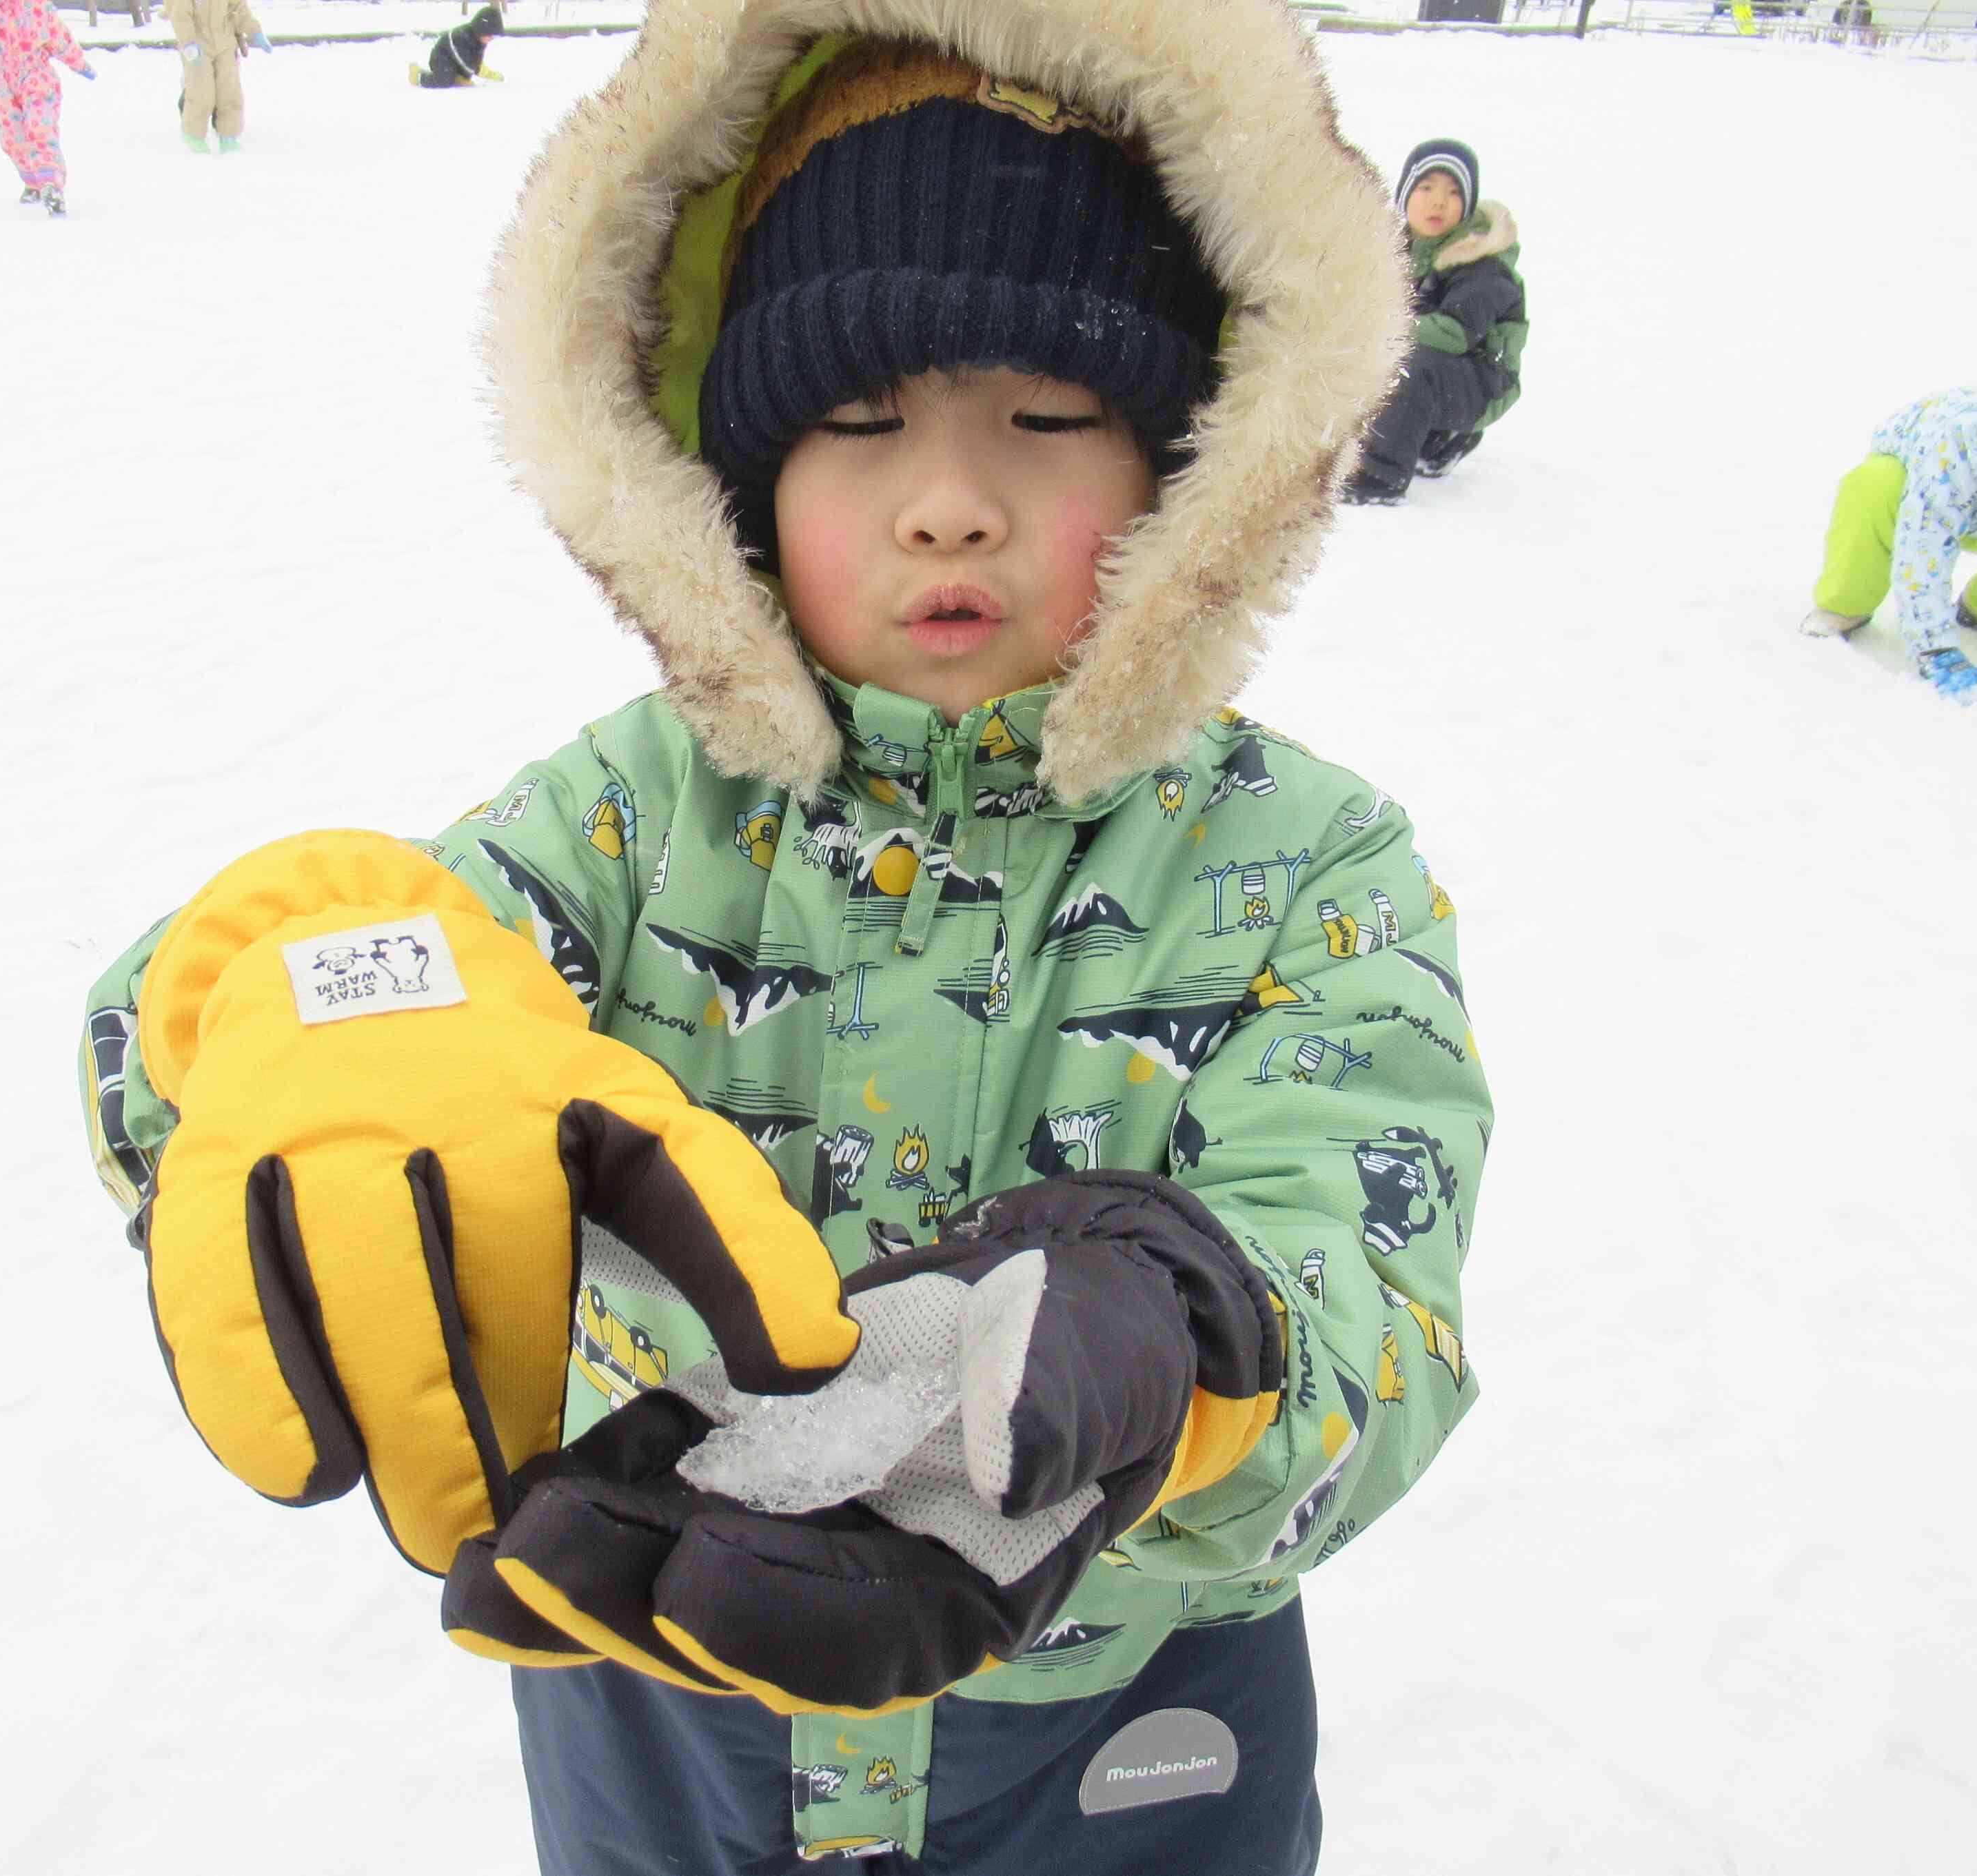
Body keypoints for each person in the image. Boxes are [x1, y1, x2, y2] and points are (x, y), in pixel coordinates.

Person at [79, 5, 1491, 1873]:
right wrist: (307, 1003)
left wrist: (1188, 1334)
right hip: (660, 1679)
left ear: (1190, 468)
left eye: (1046, 417)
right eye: (856, 422)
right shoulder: (629, 822)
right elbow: (384, 962)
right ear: (735, 492)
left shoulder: (1306, 864)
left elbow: (1371, 1267)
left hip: (1117, 1711)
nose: (948, 501)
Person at [1800, 358, 1977, 703]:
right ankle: (1847, 604)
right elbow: (1923, 549)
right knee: (1873, 488)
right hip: (1917, 498)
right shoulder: (1951, 448)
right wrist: (1935, 649)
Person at [1345, 139, 1526, 505]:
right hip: (1441, 375)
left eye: (1453, 192)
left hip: (1485, 381)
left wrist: (1378, 327)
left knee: (1407, 366)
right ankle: (1434, 442)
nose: (1438, 201)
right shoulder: (1394, 251)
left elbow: (1455, 334)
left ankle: (1377, 481)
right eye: (1426, 188)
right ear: (1405, 195)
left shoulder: (1484, 264)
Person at [0, 0, 94, 216]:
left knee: (40, 127)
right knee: (12, 138)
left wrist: (78, 62)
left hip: (36, 73)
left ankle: (50, 182)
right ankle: (33, 182)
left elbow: (58, 35)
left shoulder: (35, 4)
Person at [168, 0, 267, 153]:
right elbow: (180, 14)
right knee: (202, 92)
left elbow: (238, 7)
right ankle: (193, 135)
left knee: (230, 91)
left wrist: (255, 30)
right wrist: (188, 42)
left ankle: (228, 135)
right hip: (198, 44)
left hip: (224, 42)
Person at [410, 3, 504, 89]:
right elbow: (465, 61)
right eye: (490, 36)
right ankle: (419, 75)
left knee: (466, 76)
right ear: (482, 30)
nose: (491, 39)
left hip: (457, 62)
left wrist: (482, 69)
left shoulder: (480, 40)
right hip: (442, 58)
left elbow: (476, 59)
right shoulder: (462, 37)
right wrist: (483, 72)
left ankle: (457, 78)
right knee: (445, 80)